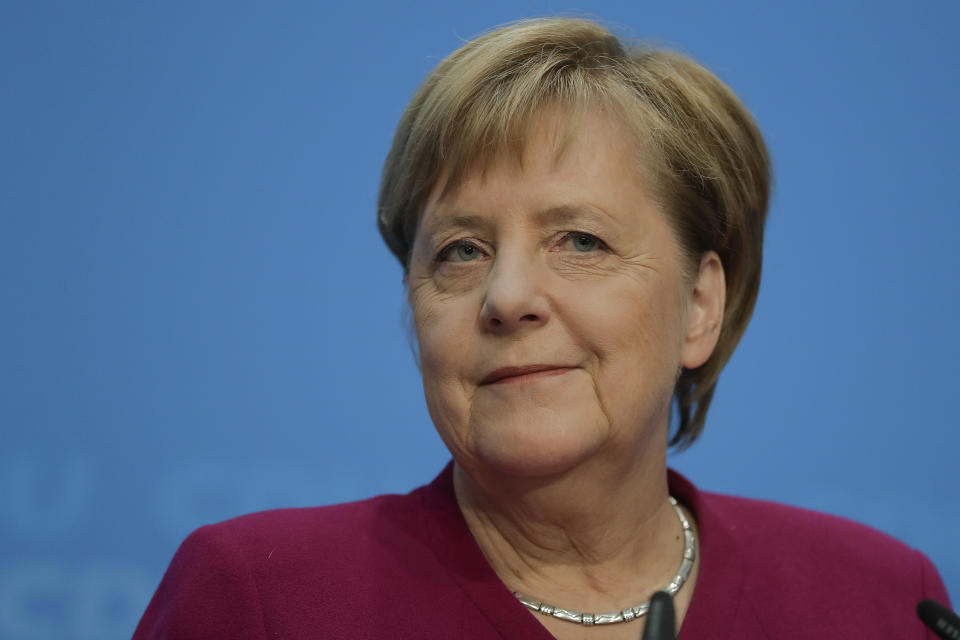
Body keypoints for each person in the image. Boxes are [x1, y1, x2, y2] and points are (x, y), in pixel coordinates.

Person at [132, 17, 950, 639]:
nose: (507, 295)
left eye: (580, 241)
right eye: (460, 250)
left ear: (701, 305)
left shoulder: (876, 601)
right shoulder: (265, 599)